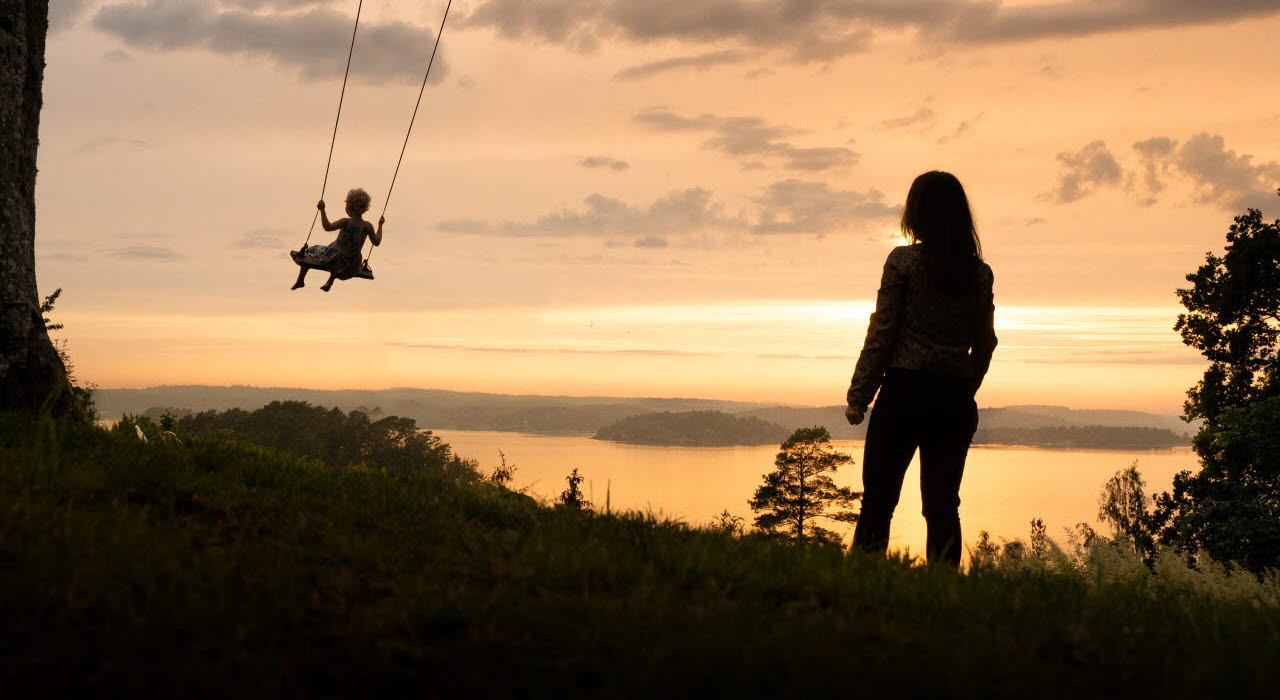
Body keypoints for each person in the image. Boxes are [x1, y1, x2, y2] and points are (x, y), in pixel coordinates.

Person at [845, 171, 998, 567]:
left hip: (904, 394)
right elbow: (985, 344)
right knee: (943, 506)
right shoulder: (979, 274)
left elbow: (882, 331)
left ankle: (861, 585)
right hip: (952, 400)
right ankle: (943, 599)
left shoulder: (903, 262)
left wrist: (859, 397)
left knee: (878, 502)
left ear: (917, 213)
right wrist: (965, 389)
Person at [291, 188, 384, 292]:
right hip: (352, 263)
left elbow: (327, 227)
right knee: (338, 251)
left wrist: (322, 210)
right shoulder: (368, 226)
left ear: (349, 207)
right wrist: (380, 225)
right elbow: (376, 242)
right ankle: (330, 281)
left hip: (335, 258)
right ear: (364, 208)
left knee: (312, 250)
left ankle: (300, 280)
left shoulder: (345, 222)